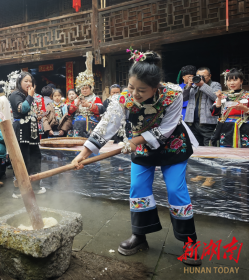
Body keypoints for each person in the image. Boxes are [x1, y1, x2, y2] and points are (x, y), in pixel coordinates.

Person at [72, 50, 201, 266]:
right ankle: (140, 236)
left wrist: (135, 141)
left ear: (156, 87)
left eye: (142, 91)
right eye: (132, 87)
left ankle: (190, 242)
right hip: (140, 146)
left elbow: (168, 128)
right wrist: (83, 154)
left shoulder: (173, 95)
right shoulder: (122, 98)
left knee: (175, 189)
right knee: (138, 188)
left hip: (173, 145)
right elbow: (107, 126)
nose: (135, 94)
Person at [9, 72, 46, 198]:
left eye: (30, 81)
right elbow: (22, 109)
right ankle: (19, 190)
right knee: (22, 160)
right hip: (21, 132)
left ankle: (34, 187)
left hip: (32, 133)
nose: (29, 84)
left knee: (35, 158)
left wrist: (37, 116)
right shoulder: (15, 94)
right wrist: (30, 96)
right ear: (19, 83)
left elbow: (30, 112)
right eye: (26, 81)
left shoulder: (28, 95)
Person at [67, 54, 104, 138]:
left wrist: (89, 105)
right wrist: (75, 105)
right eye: (82, 89)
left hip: (92, 118)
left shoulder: (96, 98)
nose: (84, 90)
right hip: (78, 118)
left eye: (86, 88)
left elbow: (101, 110)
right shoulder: (77, 98)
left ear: (91, 88)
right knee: (77, 123)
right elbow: (70, 111)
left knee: (83, 123)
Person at [183, 67, 221, 146]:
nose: (200, 78)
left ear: (210, 76)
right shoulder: (193, 86)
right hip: (193, 123)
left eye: (203, 76)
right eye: (198, 76)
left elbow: (216, 97)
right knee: (195, 148)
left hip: (208, 124)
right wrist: (188, 86)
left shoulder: (215, 84)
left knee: (209, 148)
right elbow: (183, 98)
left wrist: (202, 85)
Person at [211, 68, 249, 148]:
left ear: (241, 81)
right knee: (225, 149)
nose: (232, 83)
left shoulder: (247, 95)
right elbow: (215, 112)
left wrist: (245, 109)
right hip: (225, 127)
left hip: (243, 127)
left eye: (235, 80)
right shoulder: (223, 95)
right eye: (229, 80)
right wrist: (219, 99)